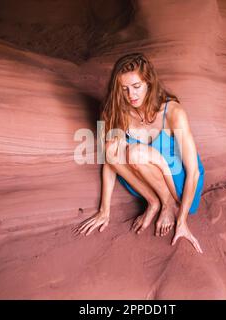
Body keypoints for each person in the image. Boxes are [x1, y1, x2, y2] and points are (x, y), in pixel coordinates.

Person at [74, 53, 205, 253]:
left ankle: (169, 204)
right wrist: (104, 210)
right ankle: (154, 202)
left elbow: (193, 171)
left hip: (179, 183)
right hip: (145, 181)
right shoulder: (114, 111)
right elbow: (109, 161)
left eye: (136, 87)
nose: (131, 95)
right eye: (124, 89)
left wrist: (182, 222)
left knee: (135, 152)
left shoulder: (172, 112)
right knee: (110, 149)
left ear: (149, 83)